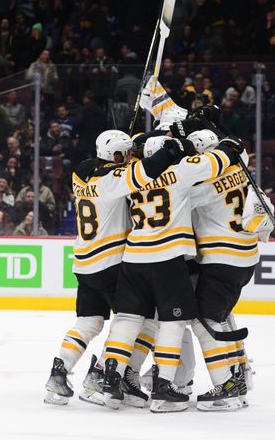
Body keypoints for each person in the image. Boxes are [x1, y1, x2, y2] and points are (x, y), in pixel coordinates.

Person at [100, 129, 244, 413]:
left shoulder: (133, 174)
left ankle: (111, 379)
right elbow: (213, 163)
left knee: (128, 318)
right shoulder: (180, 174)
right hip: (167, 259)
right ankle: (164, 387)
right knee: (173, 322)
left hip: (133, 258)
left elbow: (106, 186)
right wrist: (229, 147)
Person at [46, 129, 190, 408]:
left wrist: (138, 142)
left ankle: (58, 373)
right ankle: (104, 374)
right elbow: (145, 171)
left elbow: (96, 165)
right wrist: (170, 149)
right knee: (140, 320)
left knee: (89, 323)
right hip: (111, 262)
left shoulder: (82, 174)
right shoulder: (114, 181)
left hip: (84, 262)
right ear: (115, 156)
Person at [181, 128, 266, 411]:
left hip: (221, 258)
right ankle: (239, 374)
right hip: (246, 257)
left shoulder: (204, 182)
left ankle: (227, 387)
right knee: (223, 316)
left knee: (206, 322)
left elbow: (179, 198)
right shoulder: (242, 169)